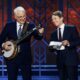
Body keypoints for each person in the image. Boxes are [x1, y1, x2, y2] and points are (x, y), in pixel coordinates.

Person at [0, 6, 44, 80]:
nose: (23, 18)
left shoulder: (30, 26)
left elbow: (38, 37)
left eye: (24, 16)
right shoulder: (9, 26)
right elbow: (1, 39)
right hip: (11, 59)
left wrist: (40, 33)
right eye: (20, 17)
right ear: (15, 17)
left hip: (25, 58)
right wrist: (4, 45)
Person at [49, 10, 79, 80]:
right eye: (52, 19)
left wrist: (68, 43)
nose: (53, 21)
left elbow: (78, 41)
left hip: (71, 61)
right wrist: (54, 46)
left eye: (55, 18)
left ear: (61, 18)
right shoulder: (53, 33)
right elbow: (51, 49)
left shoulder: (71, 28)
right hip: (60, 62)